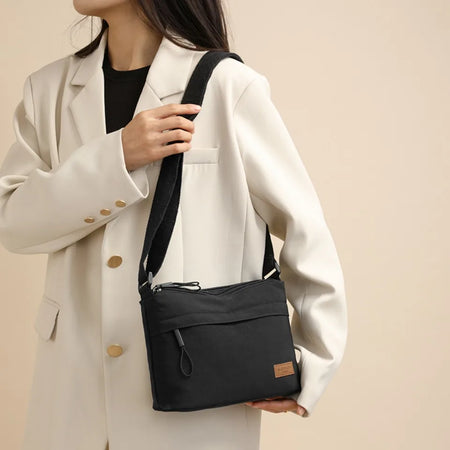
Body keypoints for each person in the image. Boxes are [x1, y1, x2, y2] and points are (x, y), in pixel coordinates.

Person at [0, 1, 348, 449]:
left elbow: (305, 226)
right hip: (71, 393)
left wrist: (310, 357)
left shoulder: (227, 85)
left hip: (199, 388)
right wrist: (117, 157)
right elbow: (13, 221)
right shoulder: (47, 90)